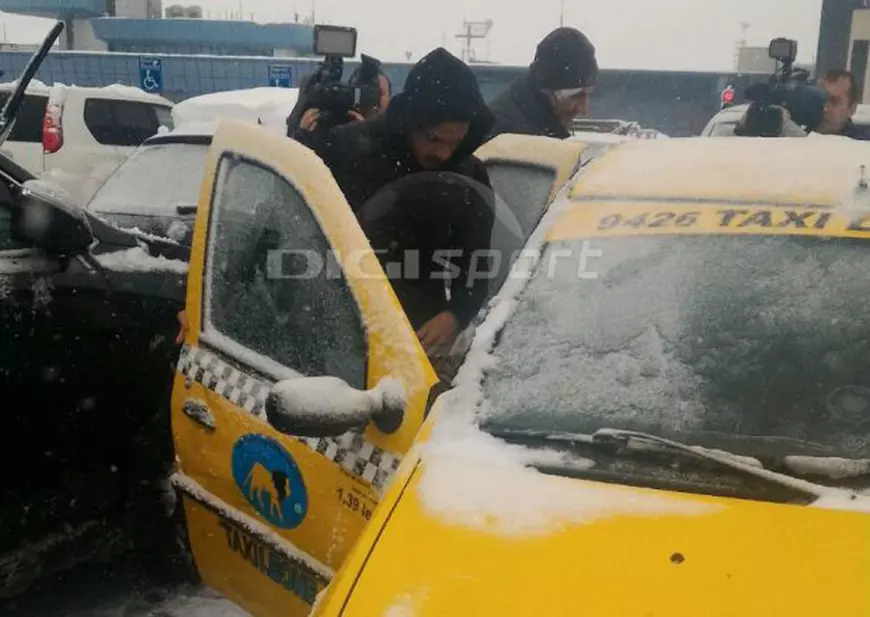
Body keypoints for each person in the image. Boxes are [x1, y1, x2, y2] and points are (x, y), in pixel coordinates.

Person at [294, 47, 496, 363]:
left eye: (455, 142)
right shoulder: (346, 152)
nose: (443, 154)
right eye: (434, 139)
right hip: (338, 329)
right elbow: (293, 227)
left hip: (419, 338)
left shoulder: (466, 176)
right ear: (411, 122)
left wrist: (456, 314)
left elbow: (477, 263)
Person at [487, 27, 598, 140]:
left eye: (587, 95)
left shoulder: (530, 123)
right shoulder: (506, 137)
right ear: (546, 90)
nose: (584, 110)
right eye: (576, 96)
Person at [816, 69, 870, 139]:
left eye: (834, 102)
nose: (825, 109)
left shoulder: (862, 143)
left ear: (852, 109)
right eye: (821, 100)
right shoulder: (805, 133)